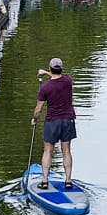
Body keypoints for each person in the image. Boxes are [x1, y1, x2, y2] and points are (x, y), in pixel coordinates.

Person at [33, 57, 76, 190]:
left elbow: (38, 109)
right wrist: (46, 73)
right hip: (67, 120)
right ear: (61, 69)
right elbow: (57, 76)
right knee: (66, 151)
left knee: (48, 151)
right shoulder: (68, 81)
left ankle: (44, 181)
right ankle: (68, 181)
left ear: (50, 68)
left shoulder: (45, 88)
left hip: (52, 121)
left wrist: (35, 119)